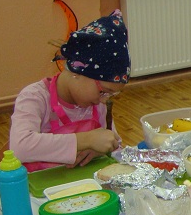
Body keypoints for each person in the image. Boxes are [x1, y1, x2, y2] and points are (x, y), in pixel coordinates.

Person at [9, 10, 130, 172]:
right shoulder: (35, 97)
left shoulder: (97, 105)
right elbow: (20, 148)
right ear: (77, 71)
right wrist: (85, 140)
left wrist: (100, 150)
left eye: (111, 94)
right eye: (103, 91)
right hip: (40, 183)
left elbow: (113, 143)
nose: (104, 100)